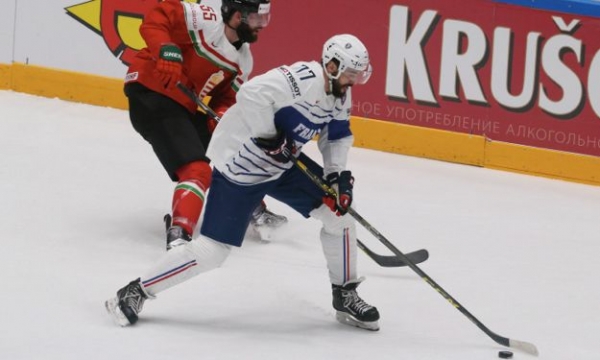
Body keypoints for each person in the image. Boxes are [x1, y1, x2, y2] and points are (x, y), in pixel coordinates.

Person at [106, 34, 380, 331]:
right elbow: (251, 93)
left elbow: (336, 134)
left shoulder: (340, 90)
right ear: (332, 64)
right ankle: (136, 291)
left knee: (339, 218)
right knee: (212, 252)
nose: (354, 81)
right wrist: (268, 135)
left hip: (282, 164)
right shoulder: (302, 79)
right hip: (242, 165)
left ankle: (345, 294)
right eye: (351, 74)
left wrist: (336, 176)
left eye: (357, 75)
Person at [123, 0, 287, 251]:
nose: (260, 26)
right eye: (255, 18)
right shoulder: (205, 20)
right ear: (234, 15)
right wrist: (165, 47)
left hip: (180, 108)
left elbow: (227, 99)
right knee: (197, 170)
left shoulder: (243, 60)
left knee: (235, 151)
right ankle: (179, 234)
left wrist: (221, 115)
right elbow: (157, 18)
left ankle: (252, 207)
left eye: (263, 19)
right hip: (152, 93)